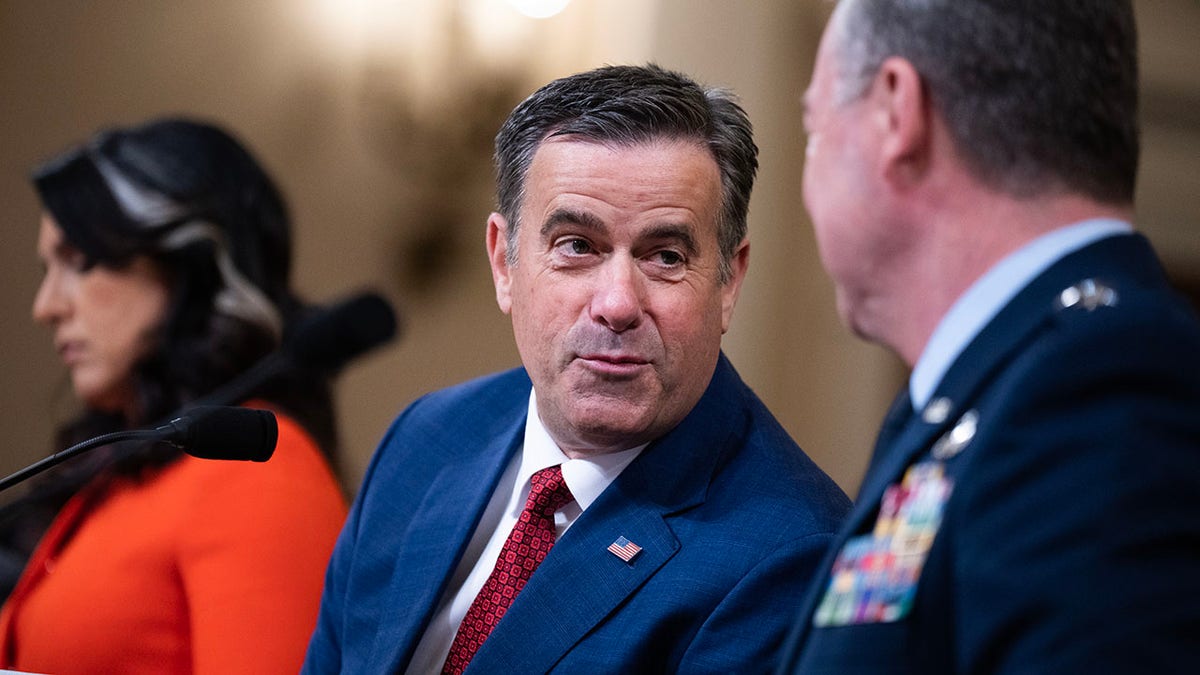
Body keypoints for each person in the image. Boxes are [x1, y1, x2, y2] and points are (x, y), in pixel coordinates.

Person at [302, 63, 850, 674]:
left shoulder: (791, 559)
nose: (617, 304)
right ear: (504, 263)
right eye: (577, 246)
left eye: (666, 257)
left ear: (728, 282)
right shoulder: (428, 437)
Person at [776, 1, 1200, 672]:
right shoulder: (987, 389)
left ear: (895, 112)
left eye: (814, 130)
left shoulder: (1100, 384)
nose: (808, 174)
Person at [0, 118, 349, 674]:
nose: (46, 307)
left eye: (80, 261)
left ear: (189, 266)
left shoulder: (255, 467)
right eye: (48, 269)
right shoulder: (128, 465)